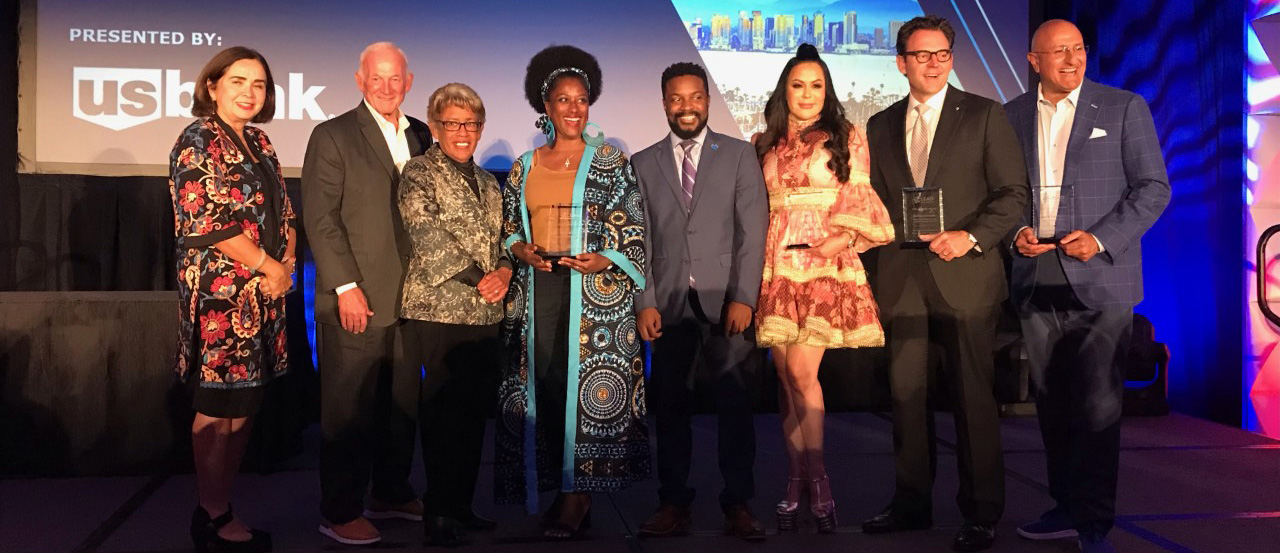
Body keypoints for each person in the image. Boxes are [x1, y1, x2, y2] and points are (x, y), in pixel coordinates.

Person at [861, 16, 1028, 552]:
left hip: (967, 276)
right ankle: (911, 502)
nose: (933, 63)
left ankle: (981, 512)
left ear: (950, 59)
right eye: (921, 55)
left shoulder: (984, 114)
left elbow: (1013, 194)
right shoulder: (880, 124)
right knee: (906, 398)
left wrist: (970, 237)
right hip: (902, 278)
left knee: (972, 399)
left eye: (942, 54)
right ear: (901, 62)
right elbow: (877, 203)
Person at [1004, 20, 1170, 553]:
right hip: (1037, 277)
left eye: (1077, 49)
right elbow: (1004, 195)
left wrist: (1100, 239)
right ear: (1034, 61)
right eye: (1058, 52)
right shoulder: (1009, 116)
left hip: (1102, 277)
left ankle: (1095, 522)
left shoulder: (1123, 107)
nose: (1071, 60)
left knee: (1098, 405)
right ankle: (1065, 508)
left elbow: (1154, 189)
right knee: (1052, 405)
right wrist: (1015, 234)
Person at [493, 45, 649, 540]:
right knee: (546, 388)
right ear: (547, 106)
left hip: (595, 294)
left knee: (583, 394)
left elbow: (634, 227)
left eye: (582, 100)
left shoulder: (609, 160)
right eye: (563, 100)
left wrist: (607, 257)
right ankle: (556, 489)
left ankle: (578, 497)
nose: (574, 109)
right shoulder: (523, 165)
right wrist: (521, 250)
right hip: (539, 290)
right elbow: (507, 227)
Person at [751, 44, 896, 535]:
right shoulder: (762, 142)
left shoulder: (847, 136)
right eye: (798, 85)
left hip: (820, 262)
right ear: (783, 90)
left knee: (800, 371)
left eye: (817, 85)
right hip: (775, 267)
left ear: (827, 90)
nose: (808, 94)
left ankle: (820, 482)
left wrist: (841, 237)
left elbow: (860, 196)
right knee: (785, 382)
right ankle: (794, 482)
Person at [631, 62, 770, 541]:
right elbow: (639, 239)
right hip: (668, 303)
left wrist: (744, 297)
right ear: (664, 102)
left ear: (708, 101)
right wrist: (644, 300)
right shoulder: (643, 162)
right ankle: (673, 503)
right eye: (676, 98)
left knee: (735, 405)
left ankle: (738, 504)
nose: (685, 106)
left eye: (694, 97)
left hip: (726, 302)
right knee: (669, 408)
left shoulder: (737, 155)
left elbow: (753, 233)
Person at [302, 41, 432, 546]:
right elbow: (320, 217)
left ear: (409, 81)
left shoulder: (422, 135)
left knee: (402, 405)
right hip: (356, 298)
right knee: (348, 411)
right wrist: (346, 287)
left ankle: (391, 491)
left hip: (411, 299)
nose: (385, 87)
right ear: (359, 81)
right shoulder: (332, 135)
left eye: (394, 78)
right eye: (375, 78)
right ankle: (338, 511)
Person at [169, 45, 295, 553]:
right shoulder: (197, 139)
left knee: (244, 406)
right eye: (239, 81)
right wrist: (268, 265)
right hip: (221, 298)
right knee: (217, 406)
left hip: (264, 295)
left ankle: (222, 504)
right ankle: (211, 512)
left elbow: (286, 213)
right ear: (213, 86)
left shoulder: (261, 141)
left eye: (259, 84)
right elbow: (207, 224)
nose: (250, 92)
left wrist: (284, 268)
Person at [396, 82, 509, 547]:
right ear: (436, 127)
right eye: (452, 124)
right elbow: (424, 231)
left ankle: (461, 504)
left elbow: (504, 239)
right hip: (438, 310)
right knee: (443, 417)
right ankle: (438, 513)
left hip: (485, 315)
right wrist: (476, 277)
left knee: (472, 417)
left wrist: (503, 269)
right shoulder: (418, 173)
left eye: (471, 124)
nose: (463, 132)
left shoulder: (487, 181)